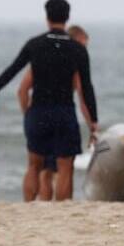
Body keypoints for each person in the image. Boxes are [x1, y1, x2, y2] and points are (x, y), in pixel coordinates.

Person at [0, 0, 99, 201]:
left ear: (47, 17)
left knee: (34, 165)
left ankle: (28, 207)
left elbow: (13, 69)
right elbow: (86, 88)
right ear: (67, 17)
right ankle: (61, 211)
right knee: (65, 168)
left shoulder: (35, 45)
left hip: (39, 111)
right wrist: (94, 122)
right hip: (64, 112)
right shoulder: (77, 49)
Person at [17, 25, 94, 200]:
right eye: (83, 46)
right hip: (62, 115)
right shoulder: (73, 64)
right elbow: (83, 98)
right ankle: (61, 208)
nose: (84, 51)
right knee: (65, 169)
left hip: (40, 116)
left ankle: (35, 205)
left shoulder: (42, 60)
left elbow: (22, 90)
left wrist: (28, 115)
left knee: (42, 168)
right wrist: (92, 126)